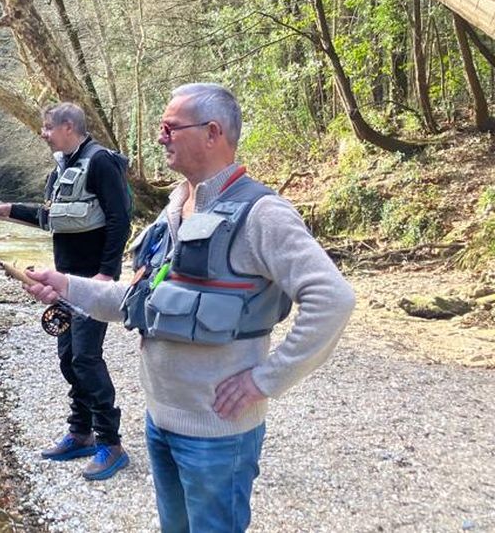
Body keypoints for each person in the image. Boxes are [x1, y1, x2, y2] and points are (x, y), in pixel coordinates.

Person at [22, 83, 355, 532]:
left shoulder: (263, 214)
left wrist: (265, 380)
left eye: (170, 127)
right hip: (160, 421)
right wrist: (65, 286)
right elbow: (134, 302)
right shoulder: (175, 208)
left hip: (218, 435)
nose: (160, 137)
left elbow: (333, 299)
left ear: (212, 132)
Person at [0, 102, 132, 481]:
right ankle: (81, 433)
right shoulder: (59, 172)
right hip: (62, 282)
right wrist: (7, 210)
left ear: (68, 126)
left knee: (85, 358)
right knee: (68, 358)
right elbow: (50, 218)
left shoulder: (101, 163)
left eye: (48, 128)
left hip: (93, 283)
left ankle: (111, 444)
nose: (43, 134)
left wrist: (106, 275)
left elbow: (120, 219)